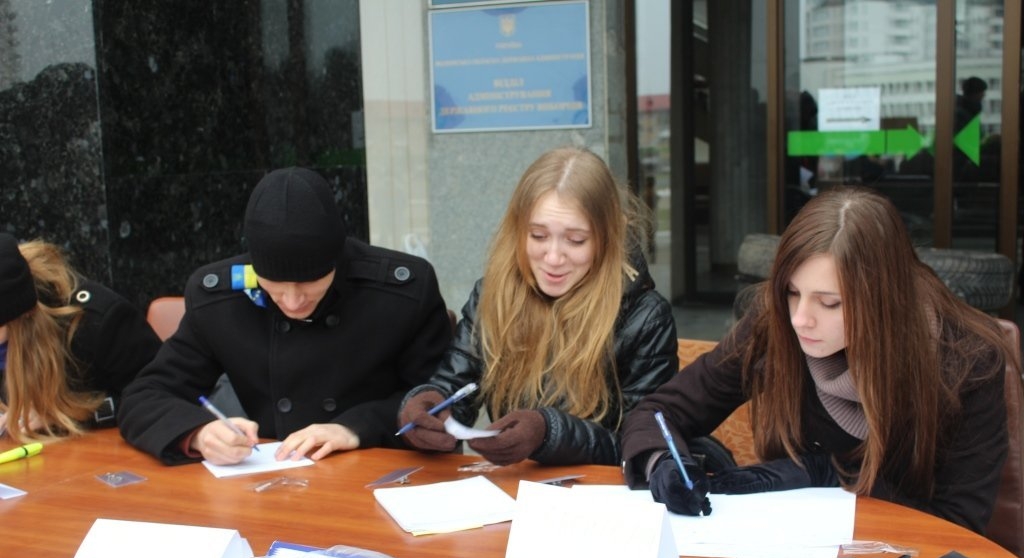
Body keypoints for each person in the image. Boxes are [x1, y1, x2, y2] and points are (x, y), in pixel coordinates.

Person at [621, 185, 1018, 533]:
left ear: (884, 301)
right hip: (791, 552)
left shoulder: (966, 362)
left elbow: (958, 523)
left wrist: (830, 476)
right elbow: (659, 412)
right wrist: (663, 463)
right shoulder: (773, 324)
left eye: (830, 303)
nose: (800, 319)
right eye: (792, 293)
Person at [118, 167, 453, 465]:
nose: (292, 302)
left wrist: (355, 427)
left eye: (310, 283)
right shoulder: (220, 300)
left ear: (336, 262)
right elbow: (145, 396)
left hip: (381, 471)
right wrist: (199, 433)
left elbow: (440, 399)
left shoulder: (401, 292)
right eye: (275, 286)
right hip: (273, 476)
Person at [397, 147, 678, 467]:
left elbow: (642, 442)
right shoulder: (494, 294)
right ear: (518, 231)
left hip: (599, 489)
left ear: (608, 236)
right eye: (538, 236)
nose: (553, 258)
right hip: (514, 484)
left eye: (576, 240)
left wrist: (550, 434)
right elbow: (455, 385)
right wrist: (428, 407)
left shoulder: (645, 317)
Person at [0, 234, 161, 442]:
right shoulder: (10, 318)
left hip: (106, 450)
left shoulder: (96, 322)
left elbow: (159, 395)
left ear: (19, 318)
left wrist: (63, 415)